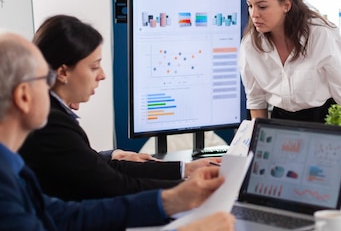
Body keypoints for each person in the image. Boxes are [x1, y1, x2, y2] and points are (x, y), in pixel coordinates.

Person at [0, 31, 235, 231]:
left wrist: (171, 199)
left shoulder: (11, 168)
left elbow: (65, 217)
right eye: (45, 79)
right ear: (24, 96)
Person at [19, 15, 213, 201]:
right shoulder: (51, 122)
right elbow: (114, 185)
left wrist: (185, 170)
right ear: (62, 72)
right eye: (94, 67)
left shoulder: (53, 113)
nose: (102, 75)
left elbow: (102, 167)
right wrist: (189, 187)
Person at [238, 0, 341, 122]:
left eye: (262, 7)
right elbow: (256, 99)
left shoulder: (322, 36)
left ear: (286, 5)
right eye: (250, 6)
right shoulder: (251, 44)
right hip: (280, 121)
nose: (254, 14)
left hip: (325, 121)